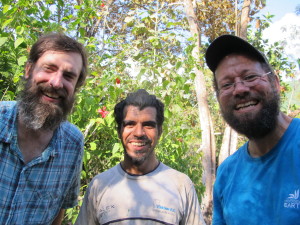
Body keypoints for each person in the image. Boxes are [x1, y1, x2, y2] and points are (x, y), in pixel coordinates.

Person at [205, 34, 300, 225]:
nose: (239, 89)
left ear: (275, 83)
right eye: (227, 84)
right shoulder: (226, 175)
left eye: (250, 77)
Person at [75, 89, 206, 225]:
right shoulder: (99, 186)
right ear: (119, 131)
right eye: (130, 124)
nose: (138, 133)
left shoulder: (181, 185)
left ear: (159, 131)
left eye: (148, 125)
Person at [0, 33, 88, 225]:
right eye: (49, 69)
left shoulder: (72, 144)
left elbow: (58, 213)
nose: (56, 83)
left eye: (68, 76)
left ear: (76, 87)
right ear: (28, 70)